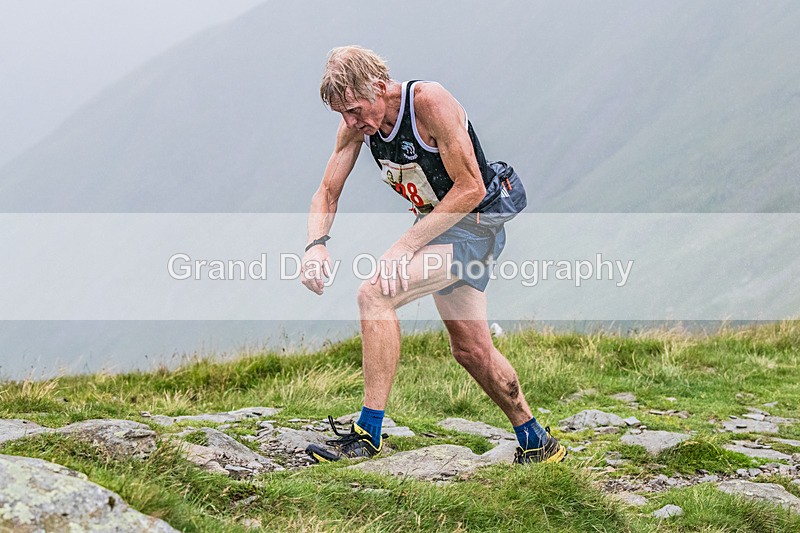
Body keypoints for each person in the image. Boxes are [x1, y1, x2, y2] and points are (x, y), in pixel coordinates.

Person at [301, 45, 566, 465]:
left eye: (354, 109)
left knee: (375, 295)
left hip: (476, 226)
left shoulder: (427, 102)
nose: (351, 122)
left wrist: (405, 245)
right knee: (471, 350)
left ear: (379, 86)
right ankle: (536, 440)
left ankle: (366, 435)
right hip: (441, 228)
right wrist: (316, 245)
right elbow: (327, 190)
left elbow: (471, 188)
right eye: (342, 114)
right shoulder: (358, 124)